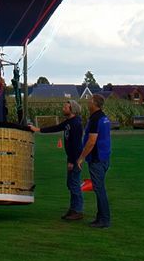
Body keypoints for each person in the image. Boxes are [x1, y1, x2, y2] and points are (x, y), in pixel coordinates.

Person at [30, 97, 85, 220]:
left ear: (72, 109)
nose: (63, 109)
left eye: (65, 107)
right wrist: (38, 129)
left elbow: (76, 145)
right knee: (70, 183)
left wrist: (72, 161)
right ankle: (73, 208)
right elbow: (55, 128)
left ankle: (78, 210)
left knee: (74, 183)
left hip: (75, 159)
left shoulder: (75, 124)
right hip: (72, 158)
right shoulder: (68, 122)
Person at [75, 90, 112, 228]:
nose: (88, 102)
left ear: (95, 104)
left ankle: (104, 219)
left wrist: (81, 158)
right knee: (99, 188)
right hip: (104, 157)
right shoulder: (103, 117)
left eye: (90, 100)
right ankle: (100, 217)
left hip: (96, 159)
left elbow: (91, 141)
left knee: (99, 189)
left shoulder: (95, 119)